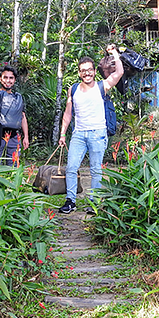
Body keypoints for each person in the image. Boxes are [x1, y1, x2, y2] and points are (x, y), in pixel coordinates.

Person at [58, 45, 124, 214]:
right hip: (78, 134)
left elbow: (119, 73)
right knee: (71, 168)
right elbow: (67, 114)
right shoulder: (72, 89)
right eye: (83, 71)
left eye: (89, 70)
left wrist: (114, 54)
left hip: (97, 134)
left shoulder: (103, 86)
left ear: (95, 71)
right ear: (79, 73)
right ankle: (70, 201)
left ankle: (94, 203)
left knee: (95, 170)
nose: (86, 73)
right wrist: (63, 134)